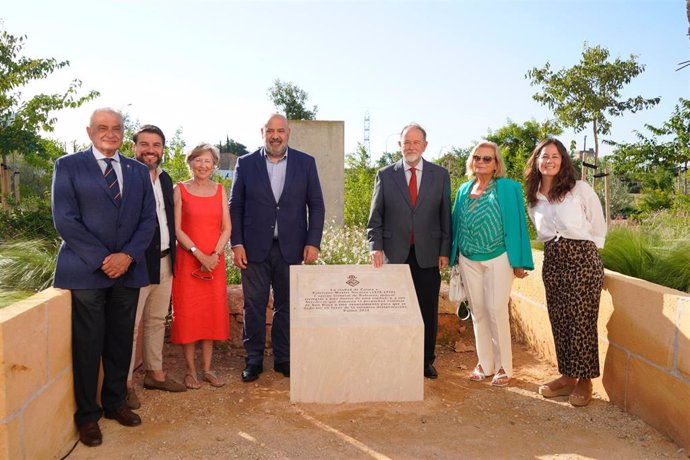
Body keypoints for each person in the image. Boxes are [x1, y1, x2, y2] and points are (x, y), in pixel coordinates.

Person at [51, 108, 156, 447]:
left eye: (116, 128)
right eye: (102, 128)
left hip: (128, 271)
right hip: (85, 272)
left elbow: (147, 220)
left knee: (120, 342)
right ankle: (87, 416)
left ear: (123, 133)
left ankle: (114, 403)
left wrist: (127, 256)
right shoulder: (67, 166)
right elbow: (65, 219)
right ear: (89, 131)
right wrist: (102, 259)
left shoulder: (138, 170)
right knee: (87, 346)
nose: (110, 133)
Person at [230, 113, 325, 382]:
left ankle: (284, 358)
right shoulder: (245, 163)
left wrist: (313, 242)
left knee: (287, 305)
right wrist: (236, 243)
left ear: (288, 133)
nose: (275, 135)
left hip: (292, 248)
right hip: (253, 248)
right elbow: (235, 205)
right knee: (253, 305)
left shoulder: (306, 163)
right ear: (262, 133)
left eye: (280, 130)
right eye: (270, 130)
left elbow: (316, 205)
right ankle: (254, 360)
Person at [524, 138, 607, 407]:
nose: (549, 160)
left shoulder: (578, 189)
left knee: (582, 319)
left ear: (563, 161)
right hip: (554, 258)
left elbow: (597, 224)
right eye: (544, 156)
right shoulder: (533, 197)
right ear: (536, 161)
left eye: (555, 156)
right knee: (560, 318)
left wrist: (591, 256)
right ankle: (568, 375)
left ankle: (585, 380)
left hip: (582, 256)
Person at [367, 123, 451, 379]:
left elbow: (445, 216)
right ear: (399, 145)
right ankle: (394, 357)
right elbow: (375, 217)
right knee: (393, 310)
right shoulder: (385, 174)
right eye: (406, 142)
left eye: (416, 142)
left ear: (425, 145)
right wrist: (375, 246)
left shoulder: (440, 175)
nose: (411, 147)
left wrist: (445, 250)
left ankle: (425, 361)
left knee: (427, 311)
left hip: (428, 253)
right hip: (394, 255)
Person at [449, 141, 533, 387]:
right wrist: (452, 254)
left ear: (497, 164)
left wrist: (519, 262)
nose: (481, 162)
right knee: (478, 312)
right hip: (468, 258)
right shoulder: (464, 190)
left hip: (498, 257)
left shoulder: (508, 188)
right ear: (471, 162)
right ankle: (485, 364)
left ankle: (504, 366)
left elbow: (519, 226)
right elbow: (455, 223)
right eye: (477, 158)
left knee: (496, 309)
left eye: (488, 159)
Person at [126, 125, 186, 410]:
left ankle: (155, 373)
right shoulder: (125, 177)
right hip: (136, 264)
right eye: (145, 144)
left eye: (157, 145)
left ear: (163, 149)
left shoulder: (165, 179)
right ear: (134, 147)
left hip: (165, 260)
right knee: (131, 326)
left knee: (156, 321)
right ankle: (124, 385)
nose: (151, 150)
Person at [170, 143, 231, 389]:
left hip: (215, 261)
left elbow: (227, 227)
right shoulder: (180, 190)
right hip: (188, 261)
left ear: (214, 165)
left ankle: (207, 369)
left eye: (208, 161)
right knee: (189, 314)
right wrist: (198, 254)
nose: (203, 165)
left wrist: (214, 254)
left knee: (210, 314)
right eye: (198, 160)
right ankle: (190, 371)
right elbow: (176, 229)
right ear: (190, 162)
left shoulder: (220, 190)